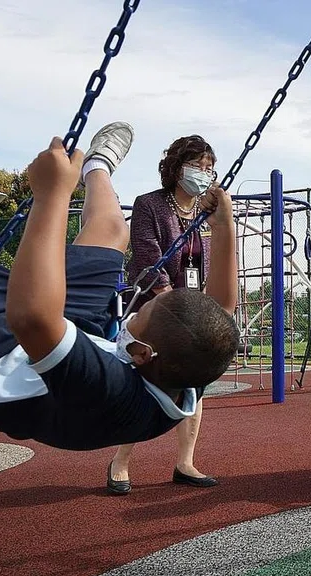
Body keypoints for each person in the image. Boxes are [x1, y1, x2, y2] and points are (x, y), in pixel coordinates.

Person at [0, 122, 239, 451]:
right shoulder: (191, 363)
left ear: (141, 351)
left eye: (142, 314)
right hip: (79, 336)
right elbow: (222, 309)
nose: (137, 310)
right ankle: (97, 166)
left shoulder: (107, 389)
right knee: (112, 230)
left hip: (0, 355)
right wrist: (225, 226)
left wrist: (52, 195)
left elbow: (31, 319)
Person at [107, 134, 223, 494]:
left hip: (191, 312)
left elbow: (210, 264)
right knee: (147, 385)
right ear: (176, 168)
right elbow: (147, 257)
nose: (204, 174)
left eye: (209, 168)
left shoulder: (205, 214)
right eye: (197, 166)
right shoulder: (150, 205)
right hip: (156, 313)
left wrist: (198, 311)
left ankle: (184, 461)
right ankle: (120, 460)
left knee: (195, 384)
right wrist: (176, 310)